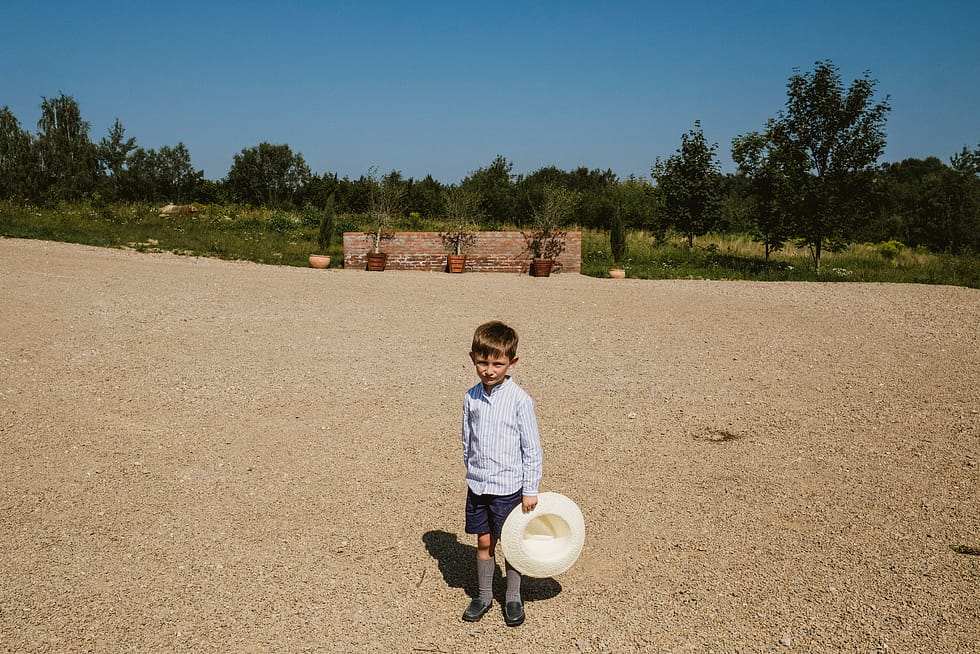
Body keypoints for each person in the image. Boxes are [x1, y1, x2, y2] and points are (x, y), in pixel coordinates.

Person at [460, 320, 543, 627]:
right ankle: (483, 595)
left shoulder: (520, 399)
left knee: (511, 544)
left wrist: (529, 488)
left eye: (498, 363)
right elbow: (467, 438)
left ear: (512, 363)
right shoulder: (471, 397)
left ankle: (512, 597)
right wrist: (471, 468)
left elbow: (531, 447)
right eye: (483, 362)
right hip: (480, 486)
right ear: (473, 359)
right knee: (484, 542)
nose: (490, 370)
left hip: (509, 487)